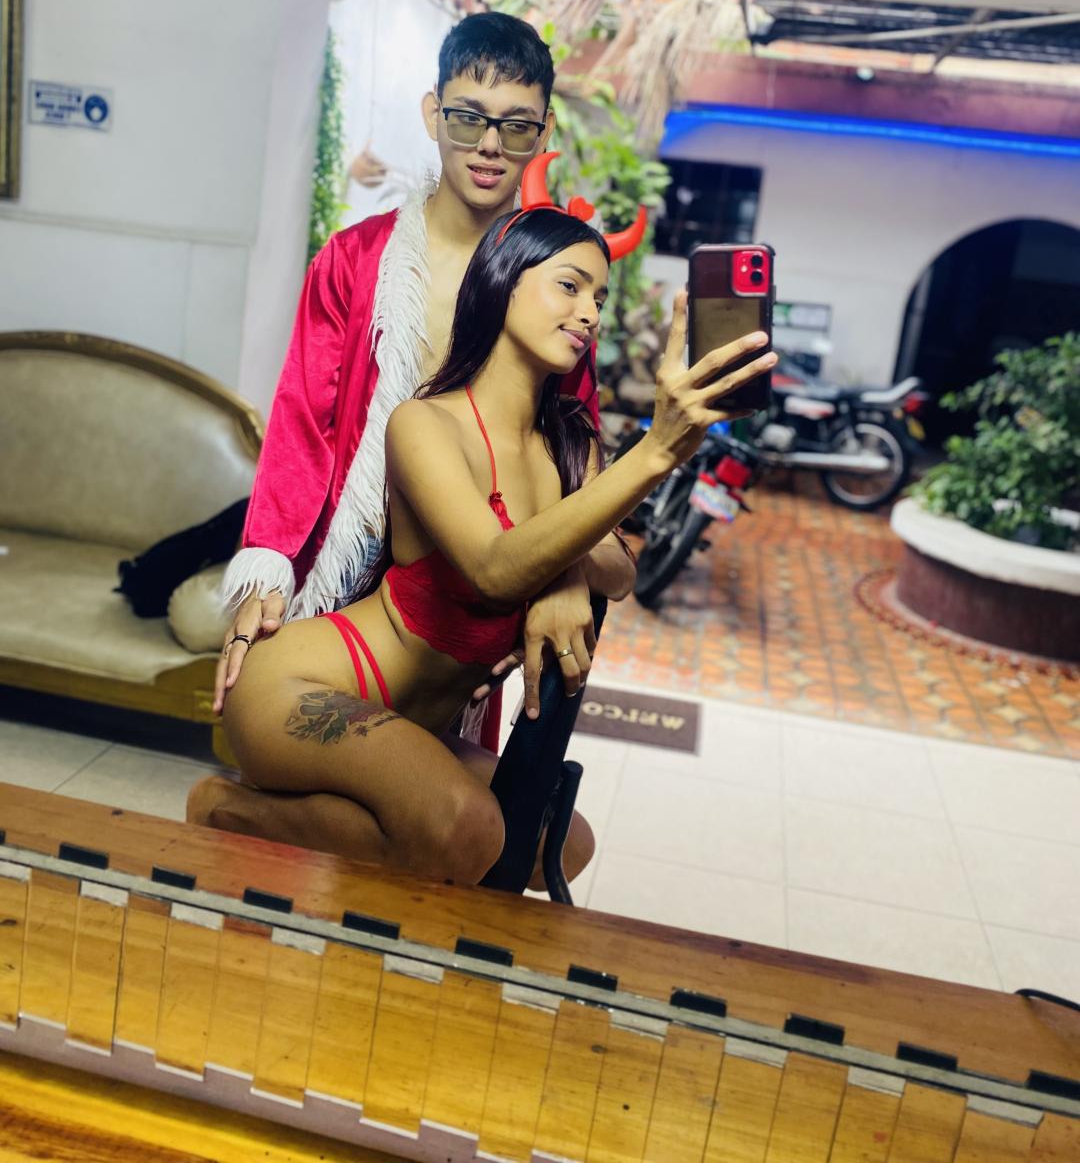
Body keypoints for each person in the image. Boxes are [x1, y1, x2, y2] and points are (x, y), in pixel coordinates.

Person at [188, 206, 776, 888]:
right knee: (466, 830)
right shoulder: (424, 423)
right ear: (503, 281)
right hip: (301, 686)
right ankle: (229, 808)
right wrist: (656, 452)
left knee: (556, 844)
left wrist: (561, 576)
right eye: (570, 285)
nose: (590, 313)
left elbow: (619, 571)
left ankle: (347, 846)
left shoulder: (570, 440)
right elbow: (494, 569)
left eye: (600, 297)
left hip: (414, 726)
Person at [218, 13, 601, 751]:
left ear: (544, 132)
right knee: (302, 753)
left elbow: (569, 452)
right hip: (343, 558)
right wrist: (267, 567)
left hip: (466, 578)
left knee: (426, 778)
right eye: (468, 117)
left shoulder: (557, 288)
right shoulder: (354, 260)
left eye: (517, 126)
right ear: (433, 114)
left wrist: (563, 576)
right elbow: (302, 421)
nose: (489, 145)